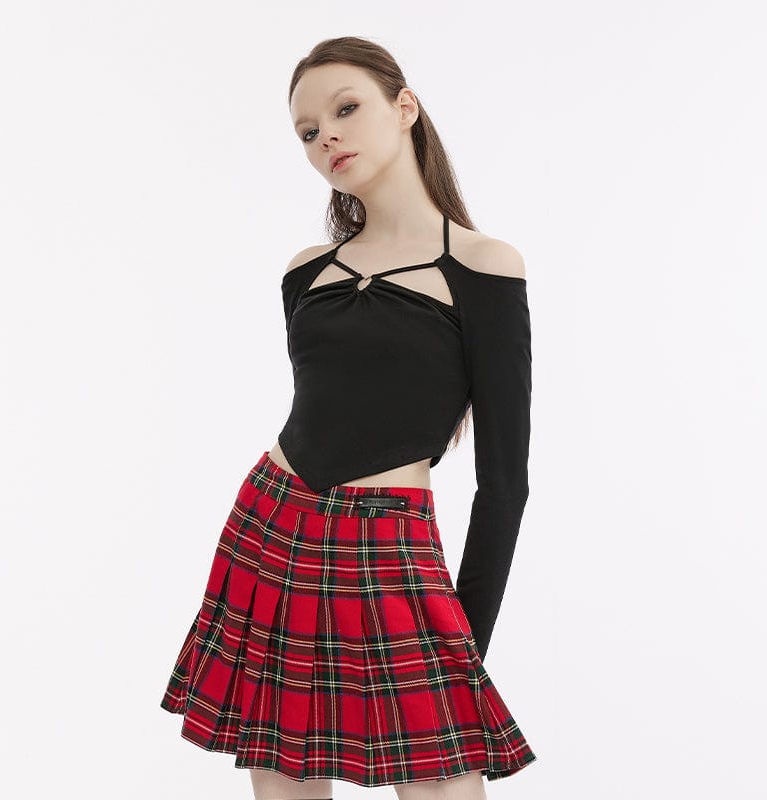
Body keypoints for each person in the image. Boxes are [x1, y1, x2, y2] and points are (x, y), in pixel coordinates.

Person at [160, 36, 537, 800]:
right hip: (272, 526)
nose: (326, 137)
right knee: (282, 773)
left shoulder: (484, 266)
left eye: (345, 109)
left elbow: (504, 485)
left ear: (405, 107)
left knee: (442, 780)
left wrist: (467, 651)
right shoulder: (307, 271)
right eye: (308, 131)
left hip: (390, 544)